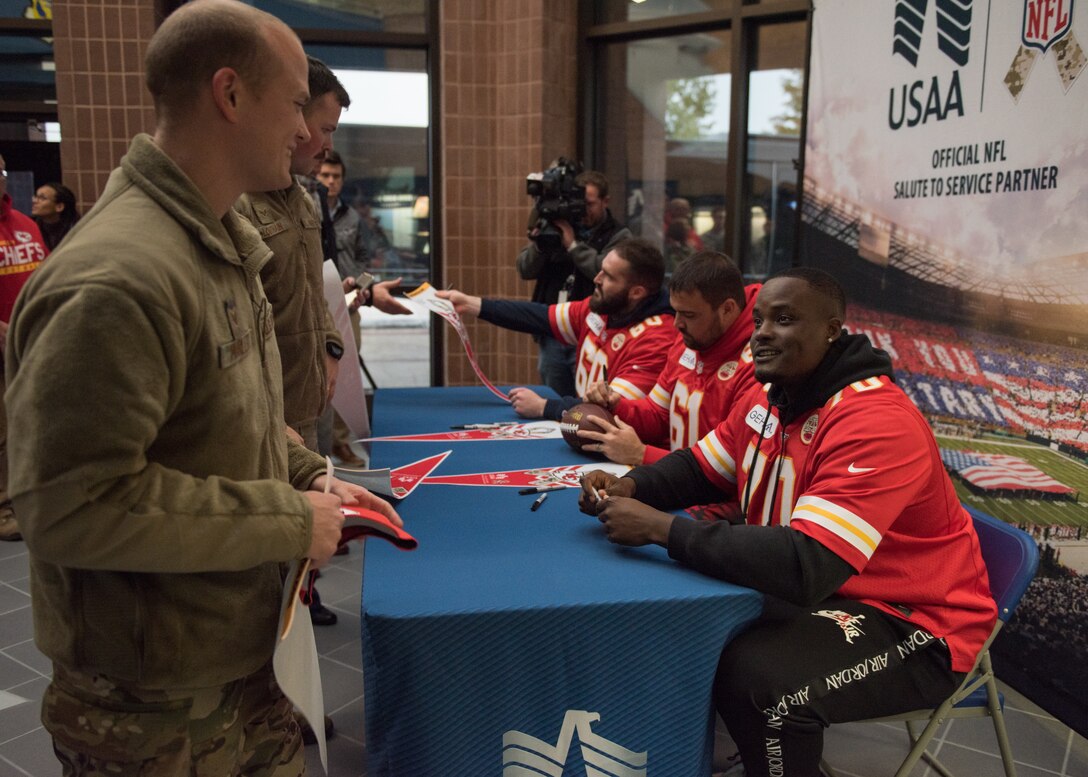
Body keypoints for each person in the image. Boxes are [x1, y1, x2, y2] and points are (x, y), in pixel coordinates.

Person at [5, 3, 401, 772]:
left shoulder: (212, 242)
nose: (304, 132)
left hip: (232, 664)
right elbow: (71, 504)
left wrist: (311, 476)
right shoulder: (118, 277)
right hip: (152, 706)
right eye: (293, 104)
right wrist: (290, 517)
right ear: (229, 94)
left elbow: (222, 421)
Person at [579, 267, 997, 777]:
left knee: (761, 683)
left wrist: (662, 529)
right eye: (759, 321)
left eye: (785, 319)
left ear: (831, 330)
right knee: (675, 621)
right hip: (828, 591)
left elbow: (807, 565)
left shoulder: (875, 421)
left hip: (917, 621)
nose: (762, 333)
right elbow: (702, 467)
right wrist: (633, 486)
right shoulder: (768, 394)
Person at [441, 237, 675, 421]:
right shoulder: (604, 308)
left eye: (609, 277)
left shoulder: (657, 337)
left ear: (636, 292)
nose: (596, 279)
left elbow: (612, 408)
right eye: (601, 270)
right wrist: (470, 304)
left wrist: (544, 407)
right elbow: (541, 317)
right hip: (585, 429)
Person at [579, 251, 758, 470]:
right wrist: (616, 404)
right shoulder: (690, 340)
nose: (677, 324)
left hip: (708, 497)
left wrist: (643, 454)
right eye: (676, 312)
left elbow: (730, 470)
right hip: (672, 481)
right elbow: (658, 414)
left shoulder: (756, 365)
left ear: (727, 309)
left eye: (689, 315)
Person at [314, 149, 411, 465]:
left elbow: (367, 262)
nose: (330, 181)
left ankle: (341, 442)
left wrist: (362, 288)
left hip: (349, 306)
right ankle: (318, 445)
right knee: (316, 374)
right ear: (316, 177)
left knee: (345, 374)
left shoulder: (353, 218)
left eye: (336, 176)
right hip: (314, 306)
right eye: (325, 175)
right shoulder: (306, 212)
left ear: (342, 180)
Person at [516, 169, 630, 398]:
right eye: (578, 203)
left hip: (593, 333)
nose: (582, 211)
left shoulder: (619, 235)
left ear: (605, 201)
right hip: (555, 333)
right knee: (555, 397)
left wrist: (573, 246)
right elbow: (524, 269)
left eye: (589, 204)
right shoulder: (556, 229)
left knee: (586, 400)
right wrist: (541, 244)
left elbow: (603, 269)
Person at [0, 153, 48, 543]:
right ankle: (3, 506)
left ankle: (23, 494)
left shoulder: (25, 226)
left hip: (29, 342)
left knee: (24, 422)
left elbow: (43, 278)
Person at [31, 182, 80, 250]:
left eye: (42, 198)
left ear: (59, 207)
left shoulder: (78, 229)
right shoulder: (32, 227)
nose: (35, 201)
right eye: (36, 196)